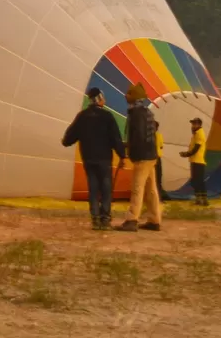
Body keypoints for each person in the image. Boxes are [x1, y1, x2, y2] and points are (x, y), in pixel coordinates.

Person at [62, 87, 126, 229]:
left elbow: (69, 138)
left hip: (88, 158)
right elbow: (116, 138)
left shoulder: (82, 116)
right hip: (104, 159)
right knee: (106, 188)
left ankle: (95, 218)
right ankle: (105, 218)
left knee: (93, 188)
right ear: (100, 98)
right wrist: (122, 155)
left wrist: (67, 141)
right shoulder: (107, 116)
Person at [118, 83, 161, 232]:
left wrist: (129, 149)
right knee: (151, 189)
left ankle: (131, 220)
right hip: (151, 155)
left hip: (142, 156)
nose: (126, 96)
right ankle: (154, 219)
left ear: (134, 96)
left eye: (129, 94)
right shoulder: (147, 112)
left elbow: (138, 136)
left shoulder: (136, 113)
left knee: (137, 188)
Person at [181, 118, 210, 206]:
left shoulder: (200, 134)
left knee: (199, 181)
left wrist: (187, 154)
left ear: (199, 125)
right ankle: (199, 199)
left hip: (198, 161)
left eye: (194, 124)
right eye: (192, 124)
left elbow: (196, 148)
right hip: (194, 161)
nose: (192, 126)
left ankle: (204, 199)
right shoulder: (196, 134)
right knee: (196, 181)